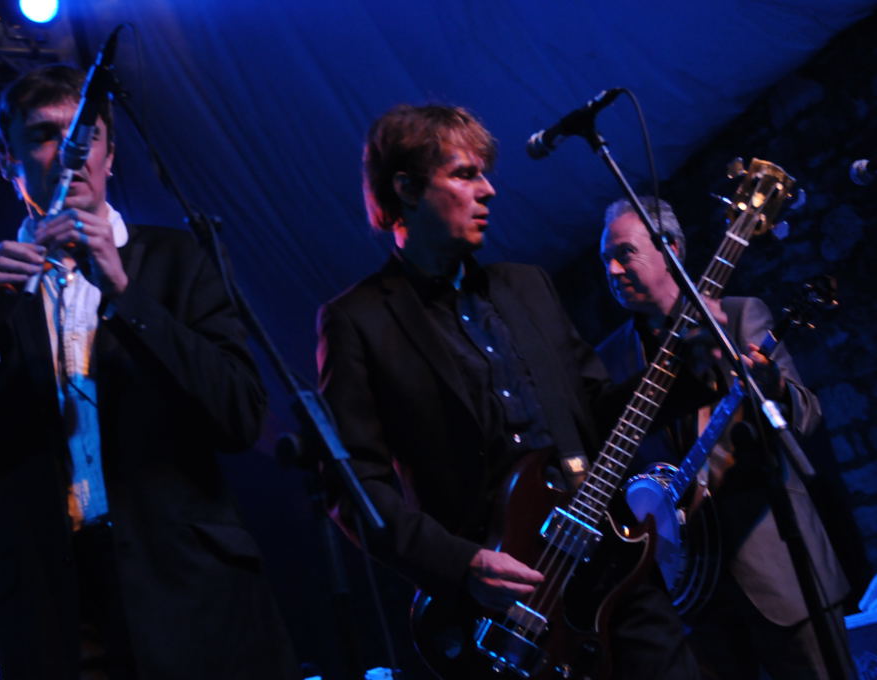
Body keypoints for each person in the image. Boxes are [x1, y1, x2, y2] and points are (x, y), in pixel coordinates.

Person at [0, 64, 298, 679]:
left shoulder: (179, 260)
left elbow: (240, 418)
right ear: (6, 157)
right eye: (45, 136)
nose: (70, 154)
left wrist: (127, 294)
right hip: (55, 617)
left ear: (110, 153)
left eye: (86, 136)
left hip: (193, 596)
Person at [316, 104, 703, 679]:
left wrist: (694, 371)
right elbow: (355, 490)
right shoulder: (359, 321)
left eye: (485, 174)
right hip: (505, 605)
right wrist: (462, 564)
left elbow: (597, 411)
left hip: (610, 565)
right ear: (407, 188)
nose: (489, 190)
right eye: (465, 174)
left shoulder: (527, 286)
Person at [596, 196, 852, 679]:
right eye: (604, 259)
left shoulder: (738, 316)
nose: (612, 269)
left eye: (624, 253)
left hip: (779, 572)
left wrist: (772, 388)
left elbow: (807, 413)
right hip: (692, 596)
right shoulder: (608, 360)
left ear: (671, 248)